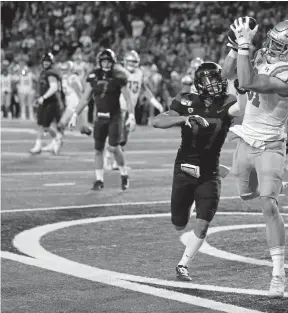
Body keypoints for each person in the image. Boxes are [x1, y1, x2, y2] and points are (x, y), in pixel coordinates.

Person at [223, 17, 288, 298]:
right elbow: (229, 75)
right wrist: (236, 47)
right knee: (246, 194)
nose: (271, 46)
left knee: (267, 205)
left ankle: (278, 276)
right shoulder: (263, 55)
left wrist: (246, 46)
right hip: (247, 140)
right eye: (272, 40)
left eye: (280, 45)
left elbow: (247, 80)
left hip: (271, 145)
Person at [152, 62, 246, 283]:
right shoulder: (186, 100)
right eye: (212, 80)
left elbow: (240, 110)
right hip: (184, 166)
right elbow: (157, 121)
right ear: (201, 83)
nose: (218, 84)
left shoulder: (226, 101)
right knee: (178, 222)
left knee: (203, 221)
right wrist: (184, 119)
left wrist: (242, 92)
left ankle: (183, 264)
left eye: (218, 79)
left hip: (209, 170)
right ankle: (190, 204)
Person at [67, 49, 136, 191]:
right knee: (98, 149)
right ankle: (99, 180)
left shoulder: (119, 76)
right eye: (103, 61)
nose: (106, 63)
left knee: (113, 147)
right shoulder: (94, 76)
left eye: (108, 61)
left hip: (115, 116)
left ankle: (124, 174)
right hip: (100, 117)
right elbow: (85, 98)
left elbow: (128, 98)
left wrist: (131, 115)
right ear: (100, 62)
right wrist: (75, 115)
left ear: (113, 62)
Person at [30, 53, 64, 155]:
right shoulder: (44, 73)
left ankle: (57, 137)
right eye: (44, 61)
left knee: (45, 126)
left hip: (50, 102)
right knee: (40, 124)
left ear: (51, 62)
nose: (45, 63)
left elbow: (54, 87)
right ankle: (39, 145)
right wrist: (38, 97)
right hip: (44, 101)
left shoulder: (51, 73)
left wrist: (43, 97)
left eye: (48, 61)